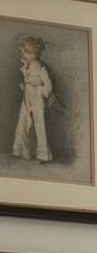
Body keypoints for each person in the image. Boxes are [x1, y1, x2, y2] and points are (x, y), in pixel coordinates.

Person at [13, 34, 55, 164]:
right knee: (23, 122)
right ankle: (22, 151)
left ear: (34, 53)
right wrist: (25, 86)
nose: (23, 55)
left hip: (37, 98)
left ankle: (43, 155)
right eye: (23, 52)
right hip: (27, 97)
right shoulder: (27, 65)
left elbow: (48, 86)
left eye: (26, 52)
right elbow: (27, 80)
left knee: (39, 125)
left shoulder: (41, 68)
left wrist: (42, 91)